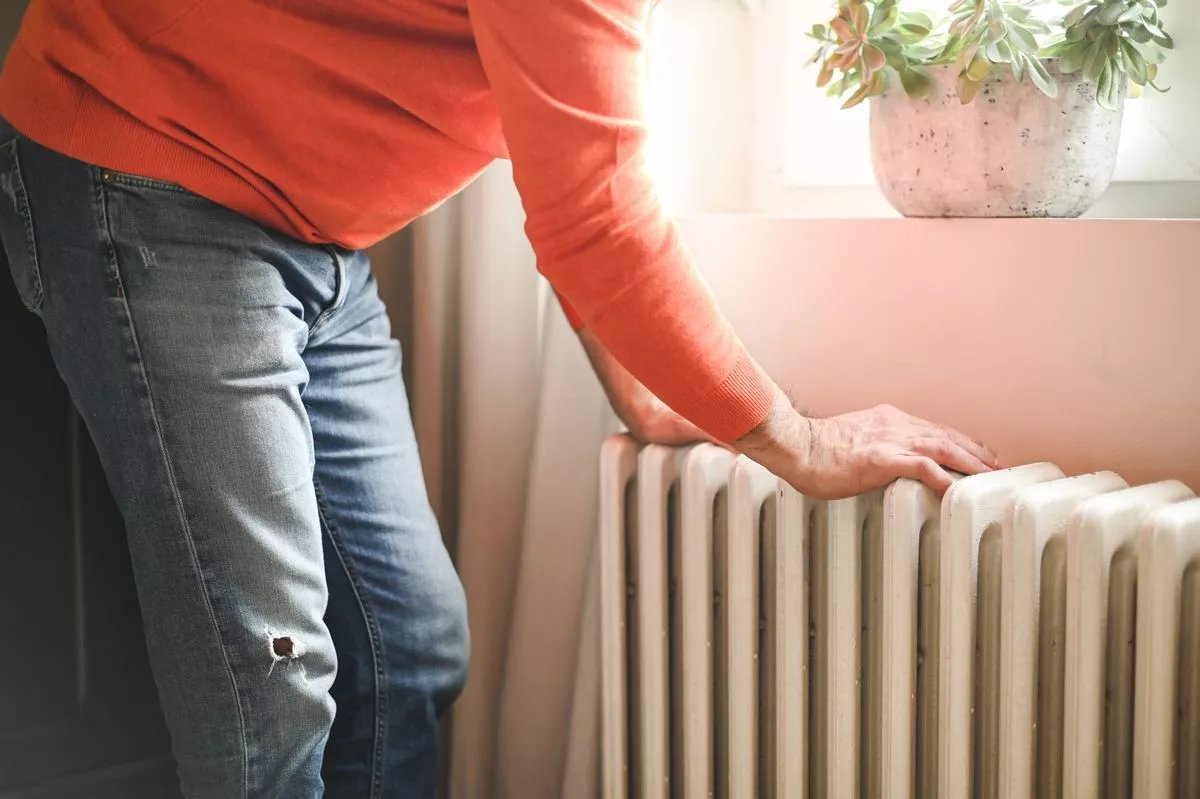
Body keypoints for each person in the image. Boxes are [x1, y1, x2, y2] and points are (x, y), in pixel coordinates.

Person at [0, 0, 996, 796]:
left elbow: (573, 165)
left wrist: (647, 395)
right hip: (145, 168)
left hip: (311, 228)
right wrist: (802, 442)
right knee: (269, 679)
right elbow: (599, 222)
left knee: (410, 643)